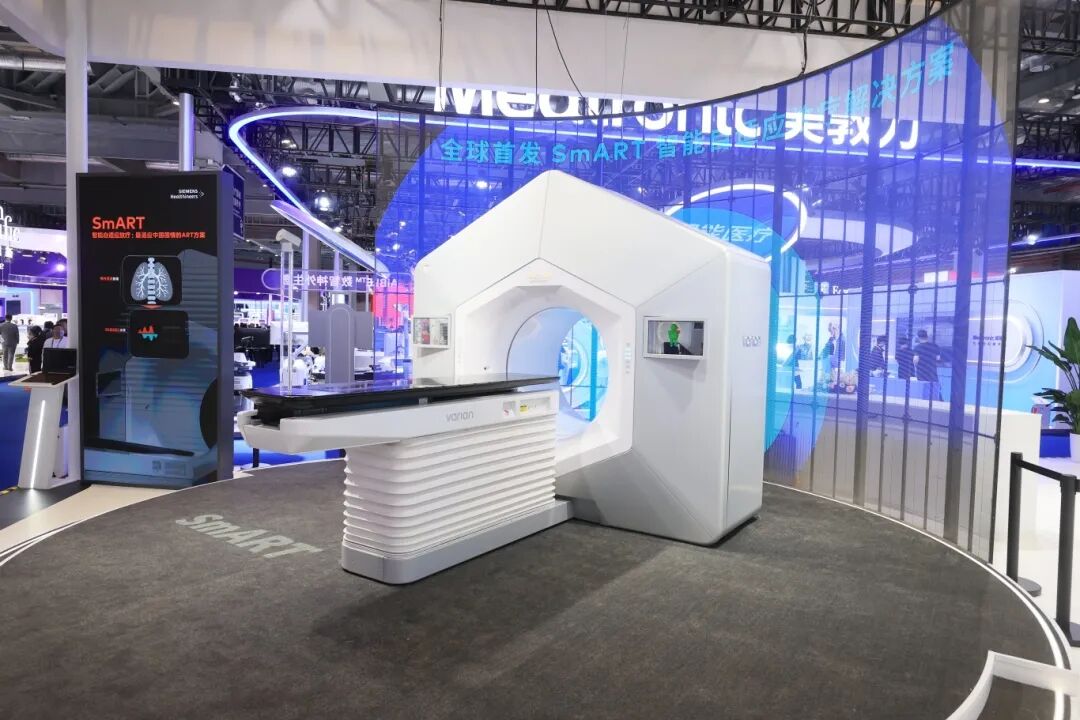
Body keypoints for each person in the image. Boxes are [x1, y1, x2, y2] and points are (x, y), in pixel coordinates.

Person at [913, 329, 942, 400]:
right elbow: (938, 358)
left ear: (918, 337)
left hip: (921, 371)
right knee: (934, 387)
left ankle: (924, 402)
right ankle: (938, 401)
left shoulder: (917, 347)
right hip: (932, 370)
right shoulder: (935, 346)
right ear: (927, 336)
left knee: (923, 388)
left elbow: (916, 360)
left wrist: (916, 366)